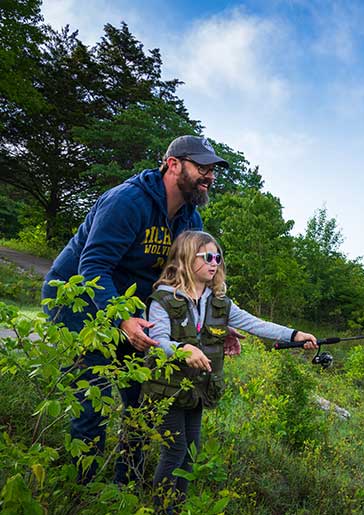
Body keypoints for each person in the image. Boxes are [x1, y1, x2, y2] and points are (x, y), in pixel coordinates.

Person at [42, 135, 231, 483]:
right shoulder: (127, 201)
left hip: (135, 311)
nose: (209, 176)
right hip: (79, 302)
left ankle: (123, 488)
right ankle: (74, 493)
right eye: (201, 167)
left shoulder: (191, 221)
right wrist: (120, 318)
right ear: (173, 164)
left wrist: (213, 319)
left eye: (212, 170)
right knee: (91, 401)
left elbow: (184, 281)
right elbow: (94, 266)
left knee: (145, 403)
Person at [141, 230, 317, 510]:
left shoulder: (218, 300)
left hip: (196, 391)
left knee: (190, 452)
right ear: (186, 258)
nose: (214, 263)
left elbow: (255, 323)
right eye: (207, 257)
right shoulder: (162, 299)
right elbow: (158, 342)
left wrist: (294, 335)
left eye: (218, 258)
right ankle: (159, 514)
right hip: (167, 390)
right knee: (174, 451)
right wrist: (182, 350)